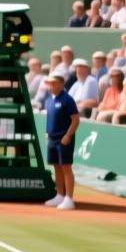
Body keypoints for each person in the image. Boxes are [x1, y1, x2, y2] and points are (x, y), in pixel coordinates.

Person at [43, 72, 79, 210]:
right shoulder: (50, 100)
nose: (50, 86)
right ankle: (60, 195)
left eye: (53, 83)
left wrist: (68, 135)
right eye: (49, 83)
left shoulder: (67, 99)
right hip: (52, 139)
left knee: (66, 167)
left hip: (64, 139)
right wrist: (48, 132)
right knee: (56, 166)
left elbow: (75, 120)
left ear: (61, 84)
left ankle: (69, 198)